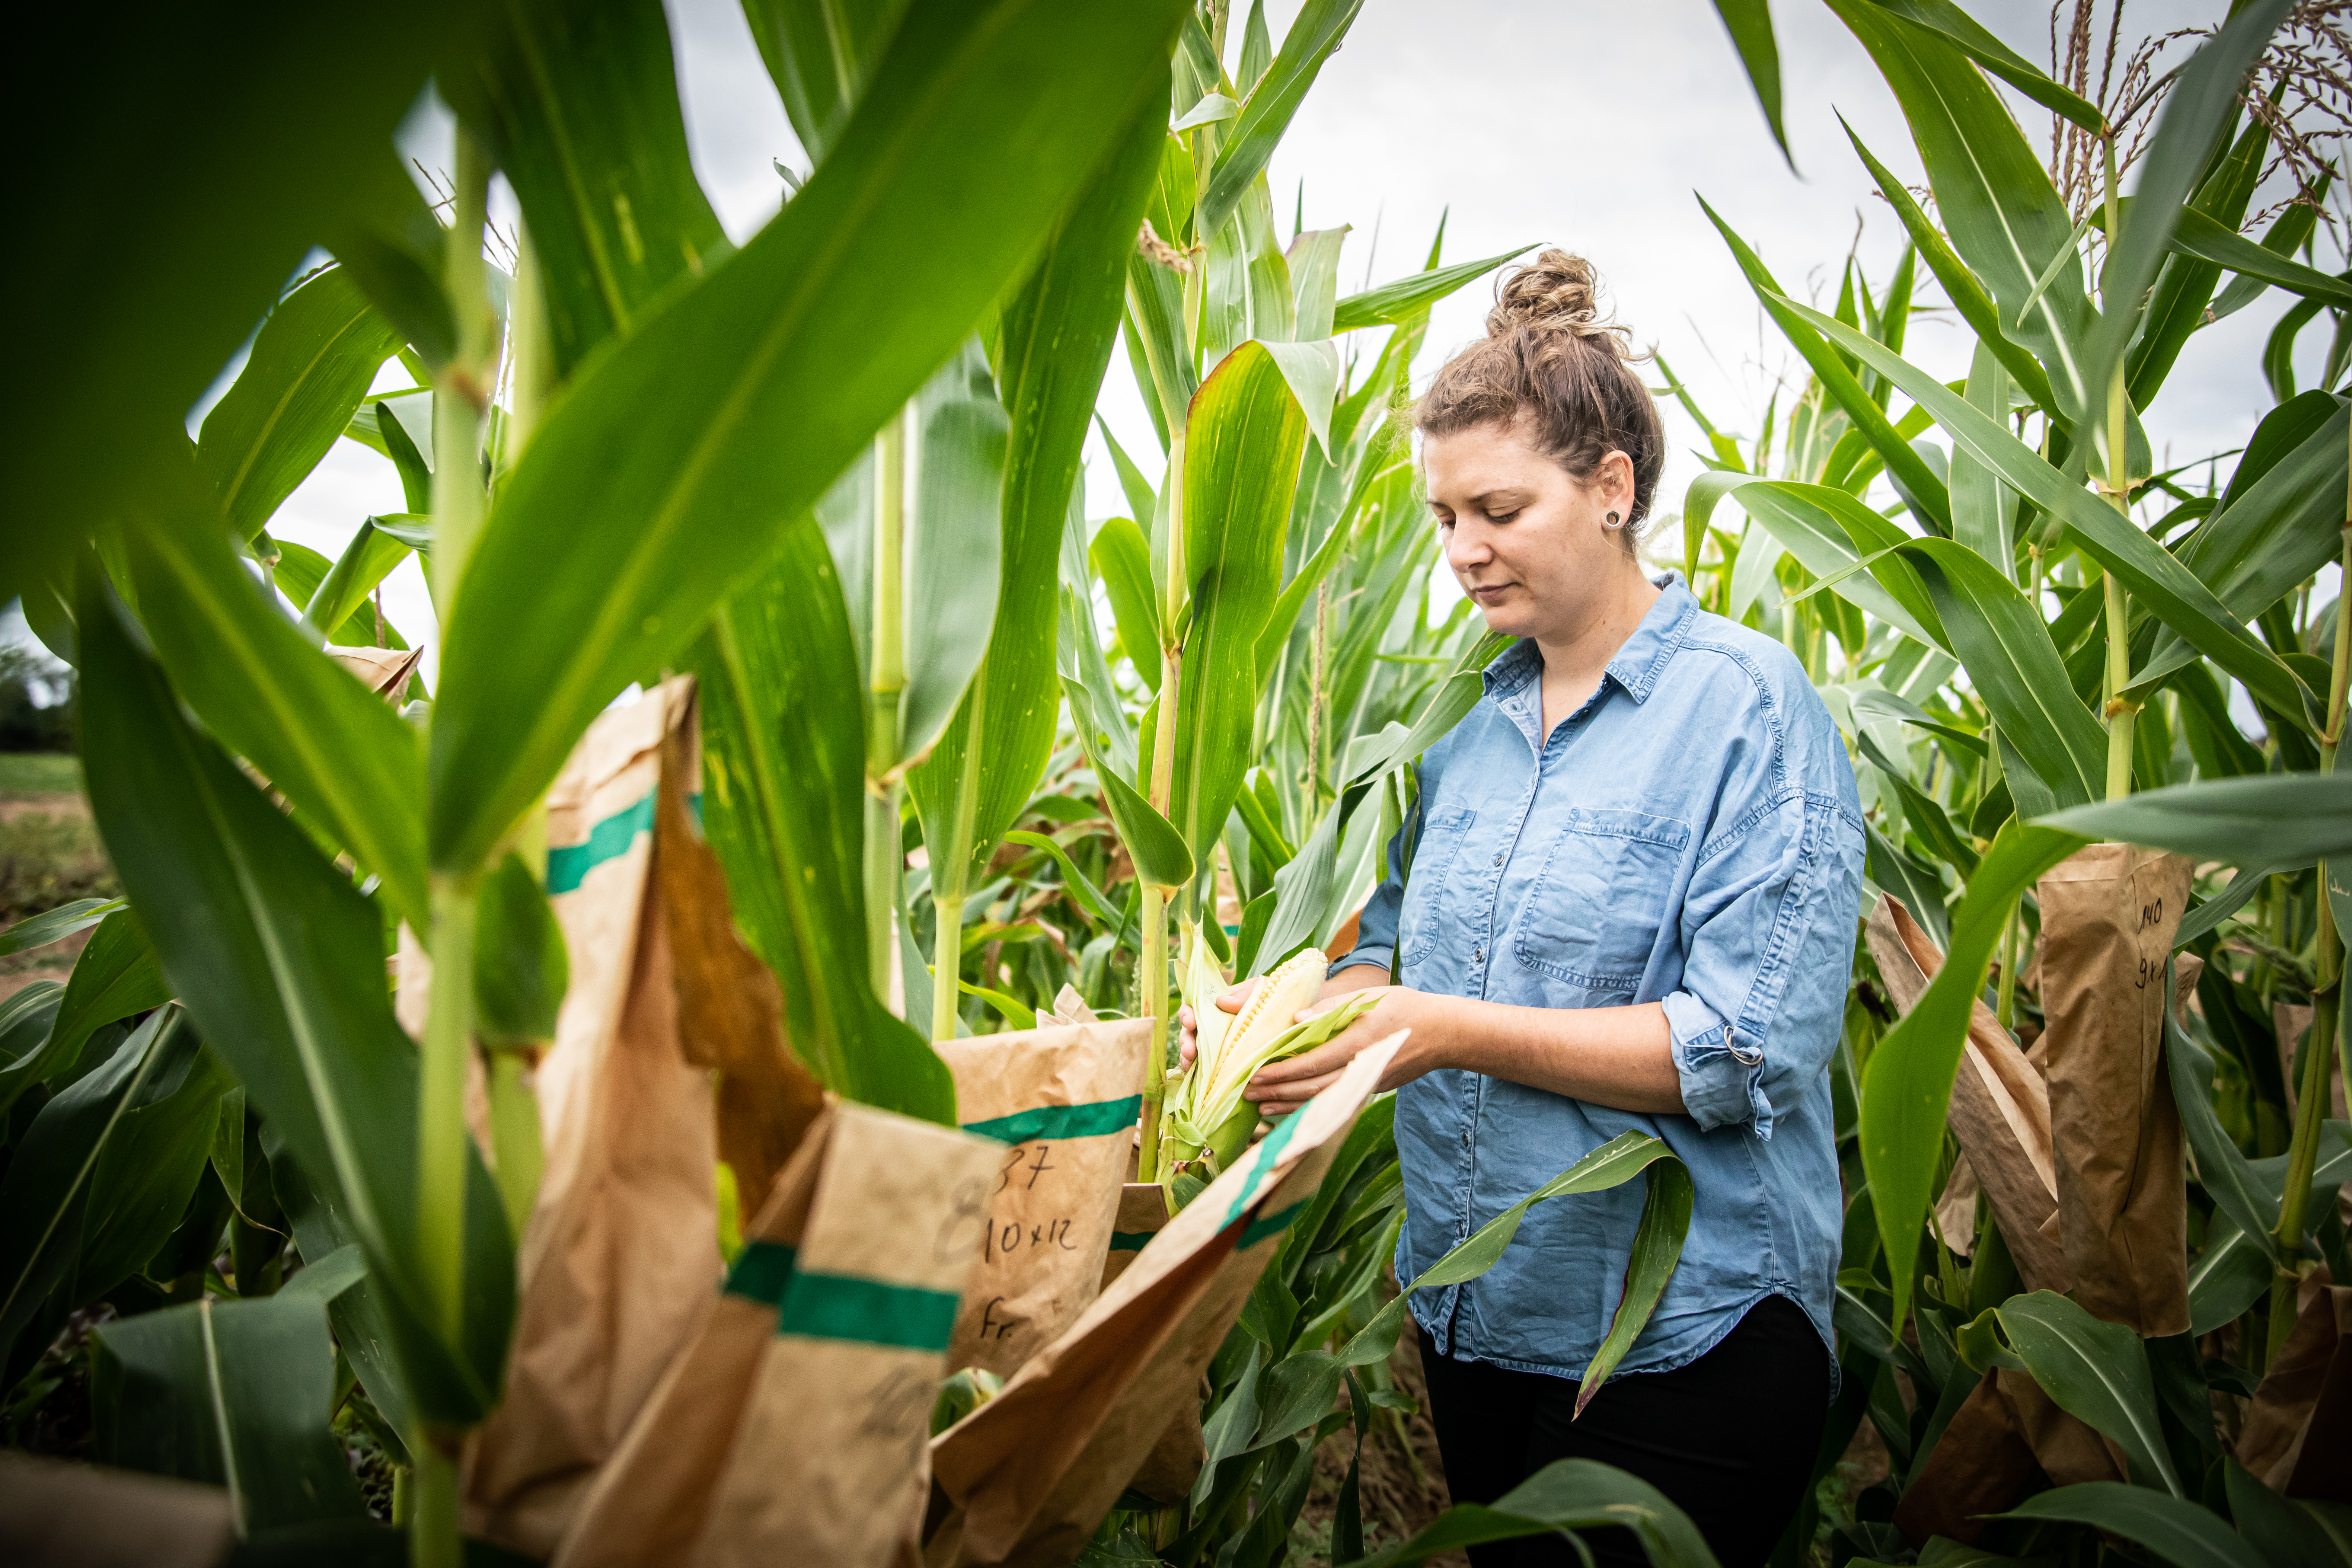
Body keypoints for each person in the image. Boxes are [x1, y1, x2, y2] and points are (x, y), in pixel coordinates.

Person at [1180, 250, 1864, 1567]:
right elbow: (1383, 957)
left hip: (1687, 1331)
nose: (1461, 550)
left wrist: (1441, 1030)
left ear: (1612, 489)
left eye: (1497, 507)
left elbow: (1741, 1047)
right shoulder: (1456, 725)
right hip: (1477, 1318)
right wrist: (1277, 1023)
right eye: (1442, 516)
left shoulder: (1746, 710)